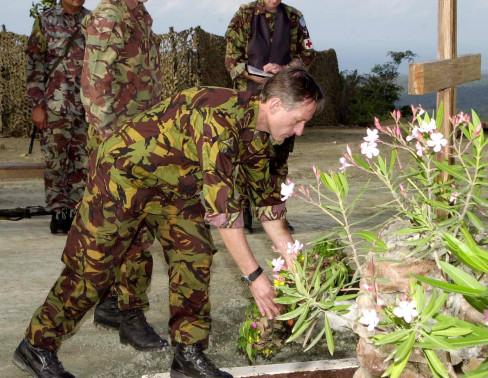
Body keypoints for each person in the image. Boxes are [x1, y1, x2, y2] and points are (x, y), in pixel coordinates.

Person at [13, 68, 324, 378]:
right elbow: (225, 215)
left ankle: (188, 355)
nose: (300, 131)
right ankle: (37, 346)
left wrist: (294, 264)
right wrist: (254, 277)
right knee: (93, 267)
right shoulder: (219, 118)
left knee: (195, 253)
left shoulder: (272, 136)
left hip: (176, 185)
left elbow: (269, 204)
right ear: (274, 105)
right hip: (123, 173)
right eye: (298, 120)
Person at [79, 0, 167, 351]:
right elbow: (94, 87)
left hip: (139, 138)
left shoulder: (138, 14)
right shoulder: (110, 14)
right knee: (135, 233)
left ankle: (112, 303)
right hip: (119, 143)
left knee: (125, 229)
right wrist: (115, 146)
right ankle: (132, 317)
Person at [225, 0, 315, 234]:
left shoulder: (295, 17)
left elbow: (306, 56)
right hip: (250, 99)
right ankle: (244, 213)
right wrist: (256, 75)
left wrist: (284, 70)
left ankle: (276, 213)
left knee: (278, 158)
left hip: (285, 100)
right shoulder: (244, 15)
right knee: (246, 155)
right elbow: (231, 59)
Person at [26, 0, 90, 234]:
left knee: (83, 161)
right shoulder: (44, 21)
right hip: (55, 105)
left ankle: (76, 210)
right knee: (56, 160)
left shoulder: (93, 22)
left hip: (86, 107)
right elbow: (34, 65)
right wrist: (37, 105)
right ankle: (59, 212)